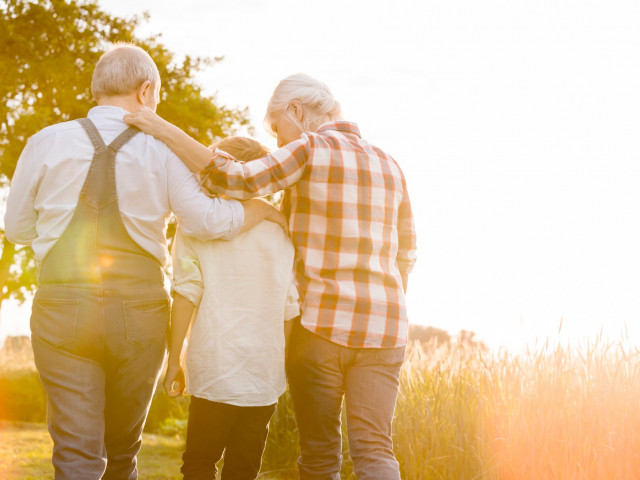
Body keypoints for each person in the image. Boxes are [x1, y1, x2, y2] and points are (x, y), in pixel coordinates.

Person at [3, 44, 283, 480]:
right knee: (121, 453)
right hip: (139, 314)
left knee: (76, 454)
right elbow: (207, 220)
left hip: (60, 311)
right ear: (146, 90)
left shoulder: (45, 142)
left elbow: (17, 228)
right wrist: (259, 210)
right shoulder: (163, 150)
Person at [124, 72, 417, 480]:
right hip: (386, 331)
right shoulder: (390, 164)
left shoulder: (308, 149)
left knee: (320, 454)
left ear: (296, 111)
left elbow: (233, 178)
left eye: (278, 129)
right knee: (376, 450)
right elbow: (407, 254)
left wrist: (159, 126)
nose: (280, 143)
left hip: (322, 327)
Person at [164, 135, 300, 480]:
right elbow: (289, 309)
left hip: (215, 366)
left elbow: (185, 294)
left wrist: (174, 359)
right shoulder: (281, 233)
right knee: (244, 469)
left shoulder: (196, 227)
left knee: (198, 463)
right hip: (263, 374)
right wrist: (279, 366)